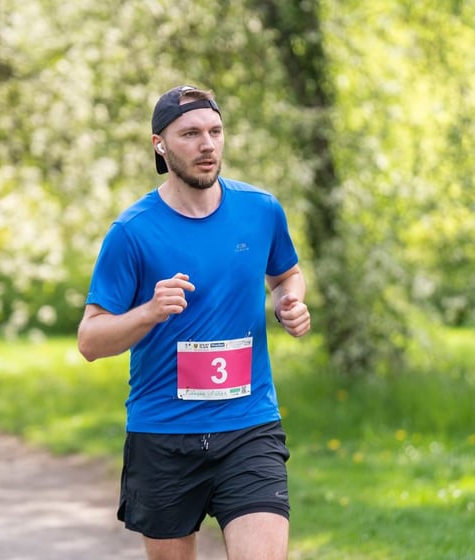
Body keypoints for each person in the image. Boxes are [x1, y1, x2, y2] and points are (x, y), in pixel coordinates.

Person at [77, 85, 311, 560]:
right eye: (190, 134)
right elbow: (90, 340)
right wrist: (148, 312)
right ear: (159, 144)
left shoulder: (261, 210)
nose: (207, 145)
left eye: (215, 131)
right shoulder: (132, 232)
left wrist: (290, 301)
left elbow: (286, 273)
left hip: (249, 426)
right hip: (163, 434)